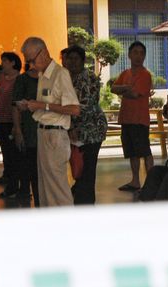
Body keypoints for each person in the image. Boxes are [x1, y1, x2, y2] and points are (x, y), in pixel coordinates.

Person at [19, 36, 80, 207]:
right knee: (45, 187)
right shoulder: (43, 76)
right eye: (27, 61)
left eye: (31, 60)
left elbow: (74, 109)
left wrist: (42, 105)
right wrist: (32, 105)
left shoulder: (61, 74)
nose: (30, 65)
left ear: (44, 53)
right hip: (43, 132)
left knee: (58, 188)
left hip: (56, 135)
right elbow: (49, 104)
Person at [64, 45, 107, 205]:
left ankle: (85, 203)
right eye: (69, 59)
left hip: (91, 130)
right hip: (76, 130)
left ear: (83, 61)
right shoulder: (68, 77)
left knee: (87, 169)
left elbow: (86, 105)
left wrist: (73, 126)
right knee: (78, 168)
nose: (72, 62)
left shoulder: (87, 78)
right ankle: (80, 198)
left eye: (76, 59)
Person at [111, 41, 152, 192]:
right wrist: (125, 88)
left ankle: (150, 183)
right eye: (135, 52)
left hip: (140, 119)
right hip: (126, 118)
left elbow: (135, 94)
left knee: (145, 152)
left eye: (142, 53)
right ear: (129, 55)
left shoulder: (145, 75)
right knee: (132, 153)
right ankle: (135, 181)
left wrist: (122, 90)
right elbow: (113, 88)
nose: (138, 56)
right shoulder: (125, 73)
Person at [0, 52, 22, 199]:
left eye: (4, 61)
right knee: (7, 156)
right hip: (2, 122)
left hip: (11, 123)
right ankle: (12, 185)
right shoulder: (4, 81)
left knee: (14, 157)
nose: (2, 64)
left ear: (13, 63)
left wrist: (16, 127)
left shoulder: (19, 81)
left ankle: (15, 187)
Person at [12, 62, 40, 205]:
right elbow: (16, 107)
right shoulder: (22, 80)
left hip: (50, 132)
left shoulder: (51, 77)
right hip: (30, 132)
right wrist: (17, 131)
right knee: (33, 171)